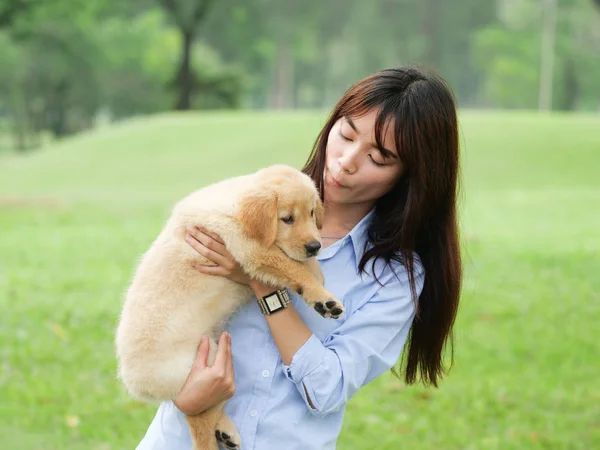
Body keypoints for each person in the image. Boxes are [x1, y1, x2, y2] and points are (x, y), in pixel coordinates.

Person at [136, 66, 462, 450]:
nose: (346, 162)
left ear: (410, 176)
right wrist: (188, 400)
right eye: (346, 135)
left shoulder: (391, 276)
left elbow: (326, 389)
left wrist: (260, 280)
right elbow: (161, 317)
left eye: (378, 157)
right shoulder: (248, 205)